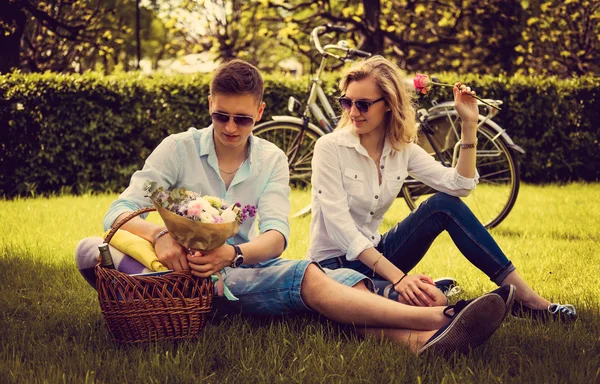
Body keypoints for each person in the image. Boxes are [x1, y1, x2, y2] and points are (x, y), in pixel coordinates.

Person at [75, 58, 514, 356]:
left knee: (325, 279)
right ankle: (444, 317)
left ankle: (423, 340)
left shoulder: (271, 159)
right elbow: (120, 209)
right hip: (178, 275)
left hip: (241, 273)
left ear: (260, 112)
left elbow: (277, 236)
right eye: (221, 116)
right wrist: (159, 235)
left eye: (242, 119)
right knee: (88, 249)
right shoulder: (177, 149)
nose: (230, 127)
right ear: (209, 106)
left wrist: (231, 253)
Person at [307, 55, 576, 322]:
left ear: (389, 104)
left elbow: (459, 186)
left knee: (443, 205)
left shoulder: (403, 151)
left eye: (363, 105)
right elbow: (342, 230)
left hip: (379, 256)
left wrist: (469, 124)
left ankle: (525, 298)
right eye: (347, 102)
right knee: (430, 300)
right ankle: (440, 303)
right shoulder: (330, 148)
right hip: (334, 269)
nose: (353, 112)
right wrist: (399, 278)